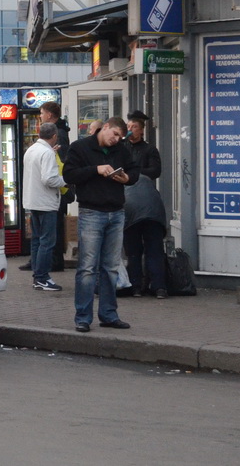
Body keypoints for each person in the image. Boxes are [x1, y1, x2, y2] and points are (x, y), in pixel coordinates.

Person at [63, 117, 140, 332]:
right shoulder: (80, 147)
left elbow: (135, 170)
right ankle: (83, 317)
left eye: (120, 137)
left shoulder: (121, 150)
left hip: (116, 213)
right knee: (87, 268)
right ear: (105, 127)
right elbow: (68, 174)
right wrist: (95, 169)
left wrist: (127, 178)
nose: (116, 140)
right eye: (114, 134)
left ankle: (108, 314)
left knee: (111, 267)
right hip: (91, 212)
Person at [123, 111, 167, 298]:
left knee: (153, 248)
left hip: (147, 203)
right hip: (130, 205)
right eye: (129, 127)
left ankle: (159, 286)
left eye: (134, 127)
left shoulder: (149, 150)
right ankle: (136, 286)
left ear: (141, 131)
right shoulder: (122, 148)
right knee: (133, 250)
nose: (131, 130)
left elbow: (156, 171)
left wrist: (133, 172)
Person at [23, 122, 67, 290]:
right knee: (47, 242)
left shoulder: (31, 150)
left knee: (36, 241)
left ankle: (37, 275)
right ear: (54, 136)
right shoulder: (47, 153)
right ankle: (42, 277)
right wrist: (66, 181)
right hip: (46, 202)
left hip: (32, 200)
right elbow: (49, 179)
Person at [40, 101, 72, 272]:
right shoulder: (60, 132)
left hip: (58, 187)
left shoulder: (58, 134)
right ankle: (52, 259)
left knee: (55, 225)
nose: (40, 117)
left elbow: (60, 161)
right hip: (59, 185)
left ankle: (55, 260)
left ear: (50, 115)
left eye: (42, 113)